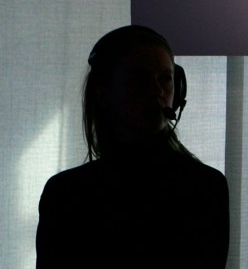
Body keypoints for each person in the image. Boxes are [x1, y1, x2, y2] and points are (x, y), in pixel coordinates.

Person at [36, 25, 229, 268]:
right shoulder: (65, 194)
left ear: (178, 89)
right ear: (104, 92)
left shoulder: (206, 187)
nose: (157, 91)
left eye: (165, 78)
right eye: (139, 79)